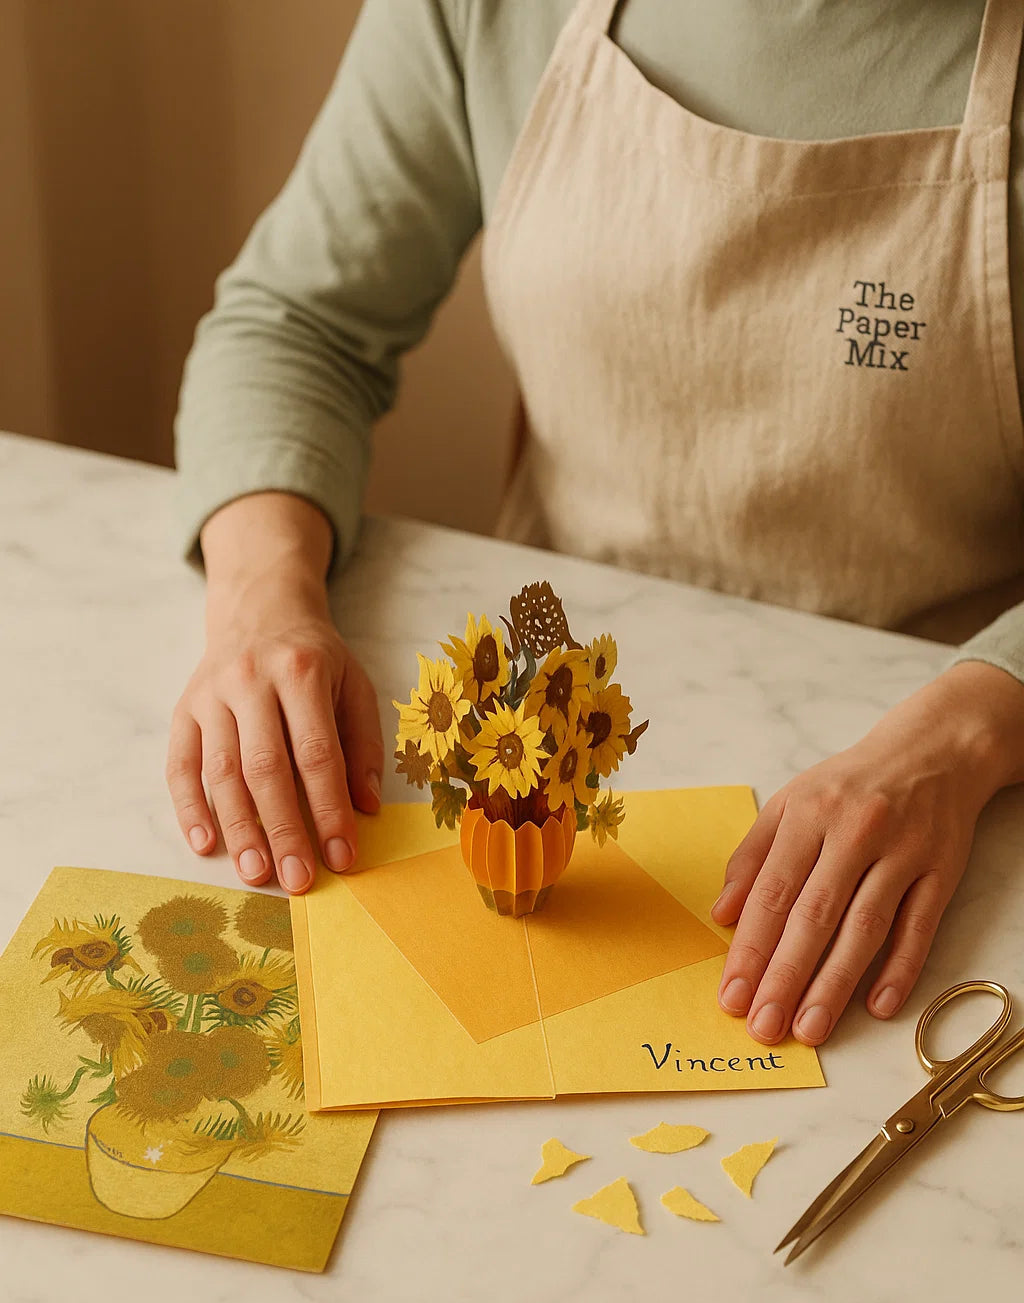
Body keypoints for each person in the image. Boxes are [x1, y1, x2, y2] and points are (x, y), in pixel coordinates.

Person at [168, 0, 1024, 1052]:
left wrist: (969, 732)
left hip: (938, 772)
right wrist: (262, 603)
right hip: (552, 707)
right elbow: (297, 322)